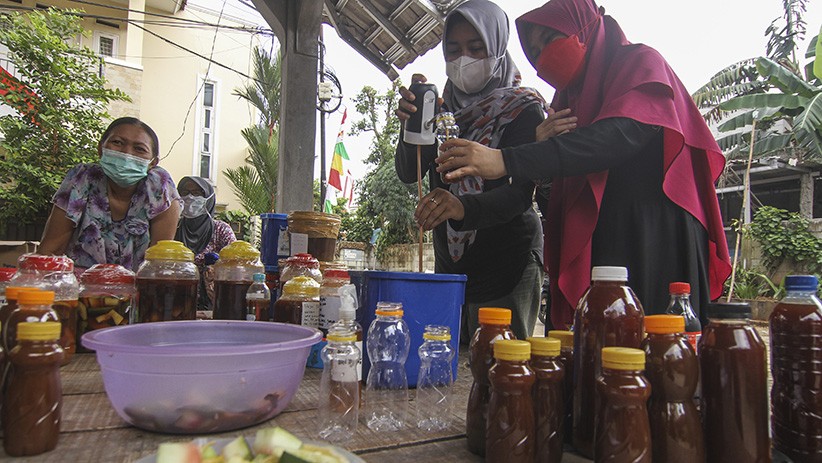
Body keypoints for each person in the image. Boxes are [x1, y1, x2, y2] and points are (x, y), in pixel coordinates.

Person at [436, 0, 732, 330]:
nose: (543, 57)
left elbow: (616, 137)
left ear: (585, 27)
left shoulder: (640, 63)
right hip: (602, 239)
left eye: (549, 40)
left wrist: (505, 159)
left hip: (655, 232)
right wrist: (541, 159)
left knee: (657, 346)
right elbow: (556, 196)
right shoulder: (567, 101)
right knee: (601, 350)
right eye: (535, 50)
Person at [395, 0, 556, 341]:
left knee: (501, 368)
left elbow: (519, 195)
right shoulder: (439, 108)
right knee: (447, 360)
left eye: (475, 48)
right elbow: (411, 172)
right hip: (452, 264)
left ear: (497, 47)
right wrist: (410, 127)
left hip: (508, 262)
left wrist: (461, 208)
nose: (463, 59)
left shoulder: (522, 110)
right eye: (453, 50)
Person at [39, 117, 182, 273]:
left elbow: (158, 263)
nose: (127, 154)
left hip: (138, 289)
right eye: (118, 143)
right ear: (100, 149)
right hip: (79, 289)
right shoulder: (82, 178)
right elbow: (51, 250)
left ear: (153, 163)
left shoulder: (159, 187)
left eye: (139, 149)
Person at [175, 176, 236, 311]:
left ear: (208, 198)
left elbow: (235, 266)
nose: (190, 197)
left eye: (196, 193)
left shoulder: (221, 230)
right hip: (177, 305)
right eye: (184, 192)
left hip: (215, 307)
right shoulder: (173, 228)